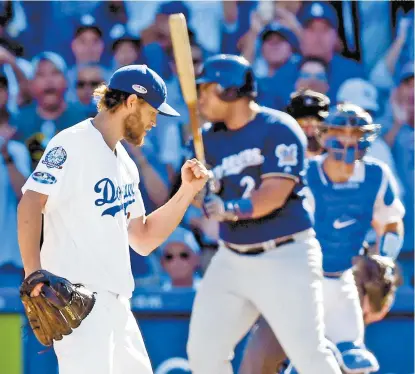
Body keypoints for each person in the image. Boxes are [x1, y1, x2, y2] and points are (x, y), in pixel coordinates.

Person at [17, 64, 209, 374]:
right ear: (132, 102)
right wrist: (33, 273)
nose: (154, 121)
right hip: (77, 299)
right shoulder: (72, 142)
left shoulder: (125, 163)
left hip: (118, 304)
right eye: (153, 111)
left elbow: (143, 239)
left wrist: (186, 192)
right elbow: (30, 202)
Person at [186, 54, 342, 374]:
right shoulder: (207, 139)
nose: (199, 97)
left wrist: (227, 209)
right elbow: (197, 198)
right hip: (231, 258)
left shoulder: (279, 128)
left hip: (284, 255)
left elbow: (273, 195)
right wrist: (199, 189)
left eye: (206, 89)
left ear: (229, 90)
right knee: (203, 353)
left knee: (310, 354)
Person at [239, 104, 405, 374]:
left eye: (356, 133)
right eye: (342, 132)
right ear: (325, 136)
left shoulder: (376, 176)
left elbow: (391, 223)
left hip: (344, 278)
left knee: (354, 359)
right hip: (297, 282)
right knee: (269, 363)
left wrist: (384, 258)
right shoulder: (305, 174)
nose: (349, 140)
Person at [286, 88, 330, 157]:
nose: (308, 128)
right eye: (302, 122)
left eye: (314, 121)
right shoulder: (282, 150)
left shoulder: (335, 153)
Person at [159, 226, 202, 290]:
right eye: (169, 257)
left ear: (196, 259)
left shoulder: (210, 293)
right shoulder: (156, 296)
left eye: (184, 255)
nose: (176, 261)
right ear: (162, 263)